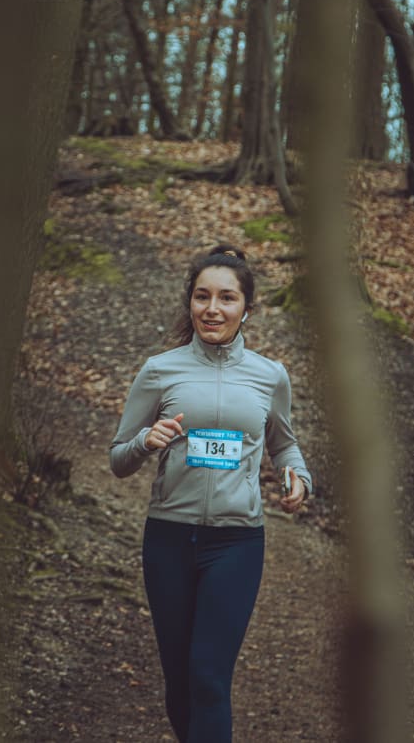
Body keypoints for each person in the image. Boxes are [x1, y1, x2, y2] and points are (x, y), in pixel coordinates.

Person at [110, 244, 312, 743]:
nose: (212, 309)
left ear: (247, 307)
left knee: (208, 677)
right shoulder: (161, 370)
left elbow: (284, 444)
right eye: (202, 297)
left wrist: (299, 478)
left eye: (226, 298)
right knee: (179, 685)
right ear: (190, 302)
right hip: (169, 540)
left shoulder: (270, 376)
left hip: (236, 543)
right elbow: (118, 459)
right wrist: (145, 440)